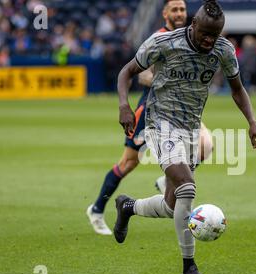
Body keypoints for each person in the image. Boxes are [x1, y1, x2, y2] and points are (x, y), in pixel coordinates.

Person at [114, 0, 256, 274]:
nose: (209, 40)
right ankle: (189, 267)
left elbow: (237, 89)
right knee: (187, 187)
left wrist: (253, 122)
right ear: (192, 25)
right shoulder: (164, 42)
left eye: (215, 34)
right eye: (205, 33)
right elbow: (126, 72)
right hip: (159, 124)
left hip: (191, 128)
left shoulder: (223, 50)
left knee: (174, 206)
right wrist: (124, 104)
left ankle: (128, 207)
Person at [86, 0, 213, 235]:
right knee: (128, 163)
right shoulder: (159, 38)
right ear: (164, 13)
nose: (178, 13)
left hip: (184, 111)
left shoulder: (192, 38)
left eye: (182, 9)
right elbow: (142, 76)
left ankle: (172, 180)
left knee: (206, 145)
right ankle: (96, 208)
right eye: (174, 9)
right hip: (152, 109)